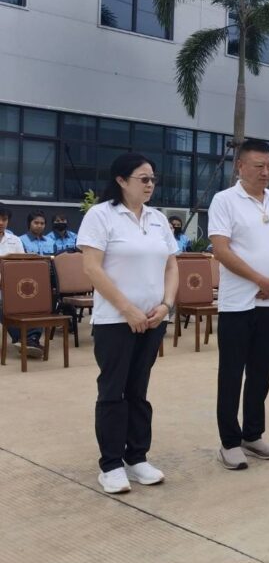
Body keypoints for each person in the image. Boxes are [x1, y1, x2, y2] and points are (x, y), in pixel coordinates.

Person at [77, 153, 179, 494]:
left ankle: (137, 458)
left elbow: (171, 266)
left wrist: (166, 306)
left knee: (138, 390)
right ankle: (110, 465)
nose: (150, 184)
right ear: (121, 180)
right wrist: (127, 309)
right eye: (143, 178)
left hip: (152, 320)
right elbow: (92, 268)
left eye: (153, 179)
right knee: (113, 391)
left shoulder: (157, 219)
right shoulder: (101, 215)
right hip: (115, 321)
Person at [208, 139, 269, 470]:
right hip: (238, 304)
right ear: (240, 166)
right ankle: (230, 442)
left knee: (261, 371)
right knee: (232, 373)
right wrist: (261, 280)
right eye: (259, 166)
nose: (265, 172)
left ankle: (253, 434)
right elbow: (221, 250)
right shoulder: (224, 201)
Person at [0, 206, 44, 359]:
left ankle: (29, 339)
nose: (1, 223)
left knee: (37, 300)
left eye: (4, 219)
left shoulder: (15, 240)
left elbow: (22, 267)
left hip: (13, 286)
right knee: (3, 302)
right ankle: (28, 339)